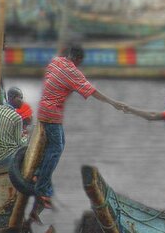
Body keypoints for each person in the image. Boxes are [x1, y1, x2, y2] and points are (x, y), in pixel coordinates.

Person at [35, 44, 124, 209]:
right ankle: (42, 188)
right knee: (56, 148)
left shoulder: (55, 61)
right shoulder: (73, 72)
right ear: (79, 59)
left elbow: (51, 79)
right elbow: (92, 91)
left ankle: (40, 174)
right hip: (52, 113)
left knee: (57, 145)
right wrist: (113, 102)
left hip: (43, 109)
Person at [0, 87, 27, 167]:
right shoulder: (17, 118)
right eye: (20, 98)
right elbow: (19, 143)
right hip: (9, 156)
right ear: (12, 98)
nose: (22, 101)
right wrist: (28, 138)